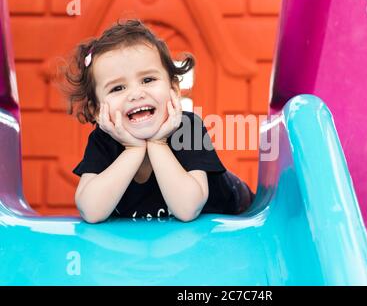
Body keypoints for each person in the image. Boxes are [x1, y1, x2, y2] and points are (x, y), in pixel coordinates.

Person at [63, 19, 255, 223]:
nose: (136, 94)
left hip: (237, 209)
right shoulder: (102, 141)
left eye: (148, 80)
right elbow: (91, 212)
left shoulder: (188, 128)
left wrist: (157, 143)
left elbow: (187, 209)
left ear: (174, 88)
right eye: (117, 88)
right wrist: (133, 149)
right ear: (96, 110)